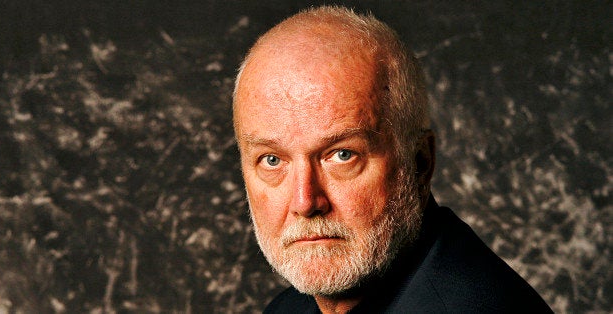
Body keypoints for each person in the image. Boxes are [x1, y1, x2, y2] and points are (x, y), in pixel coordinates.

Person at [232, 5, 552, 314]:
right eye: (272, 160)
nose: (305, 201)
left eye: (342, 155)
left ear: (419, 162)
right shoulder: (289, 309)